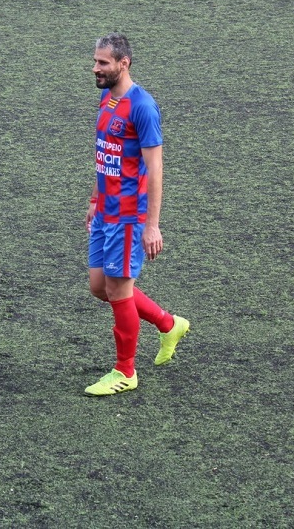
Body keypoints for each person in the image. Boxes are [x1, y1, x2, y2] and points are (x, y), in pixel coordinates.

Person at [84, 33, 190, 396]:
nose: (95, 68)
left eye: (102, 63)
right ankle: (168, 324)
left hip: (129, 217)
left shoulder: (142, 107)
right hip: (106, 211)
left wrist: (152, 225)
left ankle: (125, 371)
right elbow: (106, 153)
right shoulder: (107, 98)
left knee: (117, 289)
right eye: (95, 61)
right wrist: (95, 198)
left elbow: (155, 168)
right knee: (100, 287)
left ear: (123, 63)